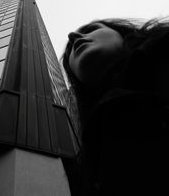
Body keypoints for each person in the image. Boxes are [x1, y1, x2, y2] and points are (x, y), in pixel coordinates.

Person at [62, 18, 169, 195]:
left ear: (122, 33)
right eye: (68, 53)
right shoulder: (87, 164)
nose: (73, 36)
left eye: (91, 29)